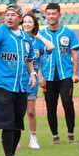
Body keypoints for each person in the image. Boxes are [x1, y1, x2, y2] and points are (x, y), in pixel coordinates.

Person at [0, 4, 37, 156]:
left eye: (13, 14)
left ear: (20, 18)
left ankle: (13, 155)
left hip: (21, 85)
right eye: (7, 14)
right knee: (7, 124)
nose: (9, 17)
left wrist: (33, 73)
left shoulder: (26, 38)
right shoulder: (0, 31)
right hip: (3, 85)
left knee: (17, 123)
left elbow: (29, 59)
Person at [39, 3, 79, 144]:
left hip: (65, 75)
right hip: (48, 77)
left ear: (59, 15)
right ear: (45, 15)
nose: (51, 16)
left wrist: (75, 73)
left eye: (54, 13)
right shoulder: (42, 34)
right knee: (51, 107)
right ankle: (55, 136)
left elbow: (75, 53)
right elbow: (36, 57)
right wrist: (40, 75)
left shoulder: (68, 33)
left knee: (67, 102)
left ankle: (71, 133)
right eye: (48, 14)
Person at [21, 12, 55, 149]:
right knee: (17, 111)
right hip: (17, 78)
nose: (27, 24)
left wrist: (39, 35)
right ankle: (15, 138)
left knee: (31, 111)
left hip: (32, 80)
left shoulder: (37, 41)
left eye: (30, 22)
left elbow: (51, 47)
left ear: (34, 24)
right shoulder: (18, 38)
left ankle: (33, 138)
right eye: (25, 21)